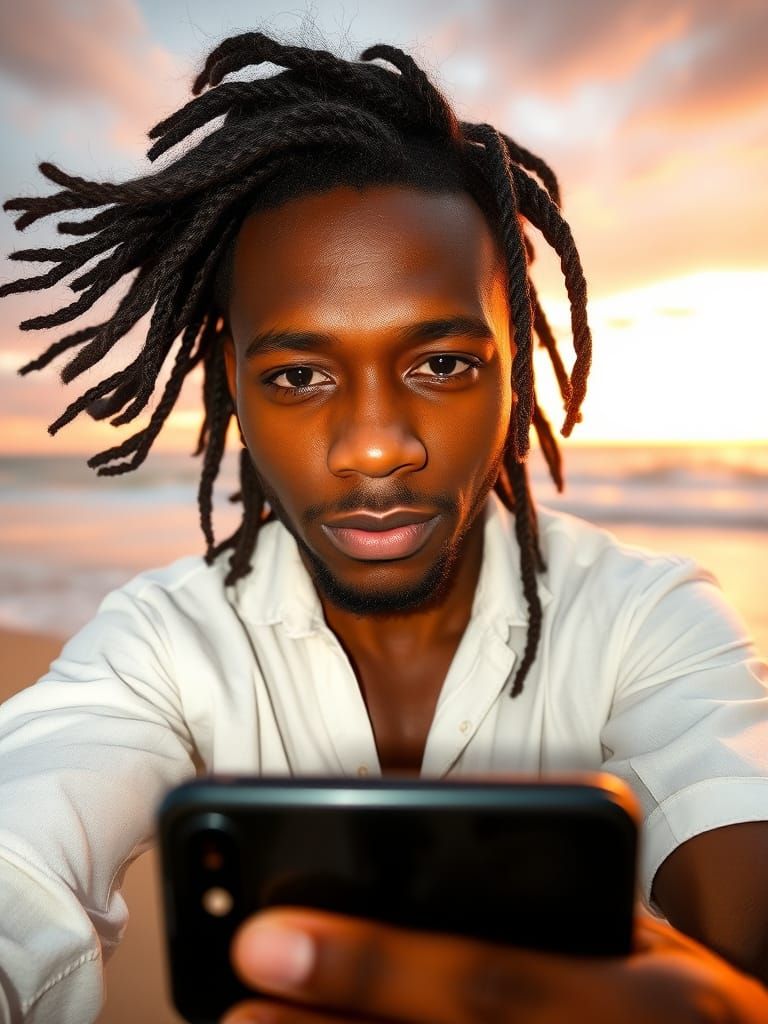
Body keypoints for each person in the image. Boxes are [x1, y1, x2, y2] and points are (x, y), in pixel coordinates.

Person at [0, 30, 767, 1024]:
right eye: (298, 375)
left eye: (440, 363)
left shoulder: (643, 617)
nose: (374, 448)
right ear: (229, 378)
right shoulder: (162, 641)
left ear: (514, 361)